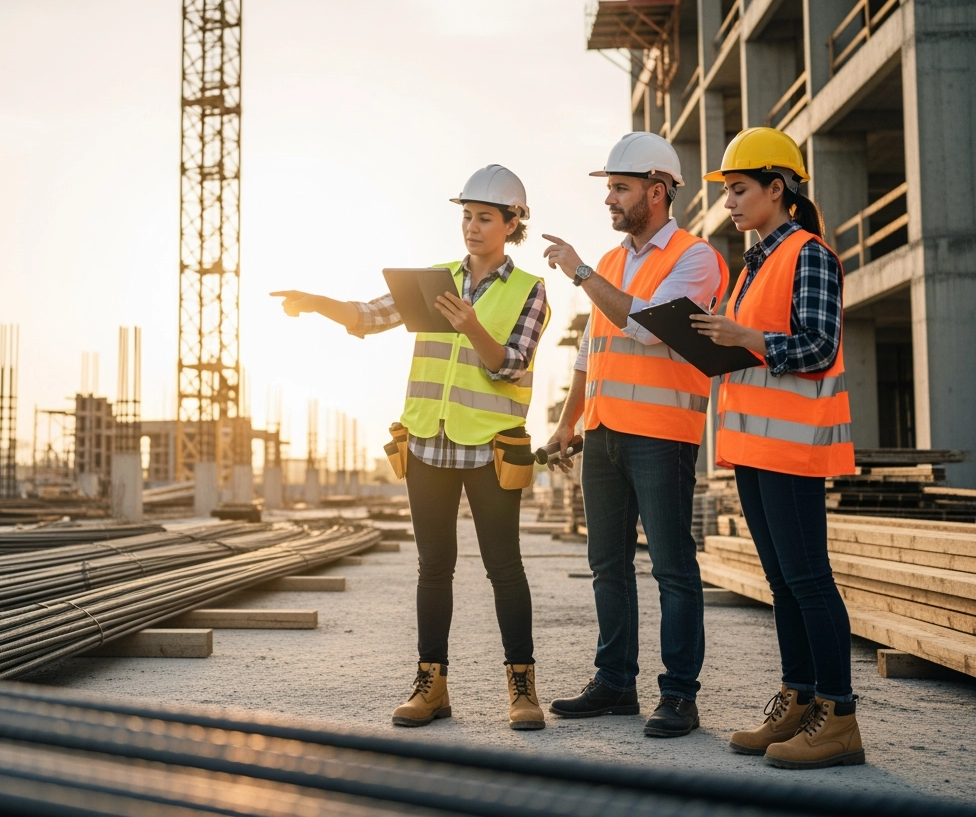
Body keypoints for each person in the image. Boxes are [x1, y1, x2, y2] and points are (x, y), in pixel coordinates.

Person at [271, 165, 549, 731]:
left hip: (491, 448)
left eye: (485, 218)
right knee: (433, 568)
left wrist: (471, 325)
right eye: (467, 216)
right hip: (427, 442)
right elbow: (371, 316)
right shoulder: (435, 279)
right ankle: (431, 685)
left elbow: (511, 364)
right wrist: (319, 301)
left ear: (512, 223)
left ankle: (521, 687)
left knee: (504, 567)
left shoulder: (530, 289)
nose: (472, 227)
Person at [539, 132, 727, 738]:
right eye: (610, 188)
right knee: (607, 565)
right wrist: (567, 423)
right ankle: (616, 682)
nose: (609, 199)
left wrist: (579, 272)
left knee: (672, 567)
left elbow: (646, 326)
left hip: (662, 434)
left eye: (620, 188)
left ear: (657, 190)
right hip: (603, 434)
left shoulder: (696, 258)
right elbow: (589, 352)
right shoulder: (612, 262)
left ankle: (679, 696)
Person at [691, 127, 863, 769]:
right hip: (754, 447)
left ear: (777, 188)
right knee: (783, 582)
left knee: (809, 579)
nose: (729, 202)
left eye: (739, 189)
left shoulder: (808, 254)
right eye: (727, 191)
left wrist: (744, 337)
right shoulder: (753, 264)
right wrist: (715, 341)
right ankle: (798, 699)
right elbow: (754, 348)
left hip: (792, 449)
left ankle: (839, 717)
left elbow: (818, 346)